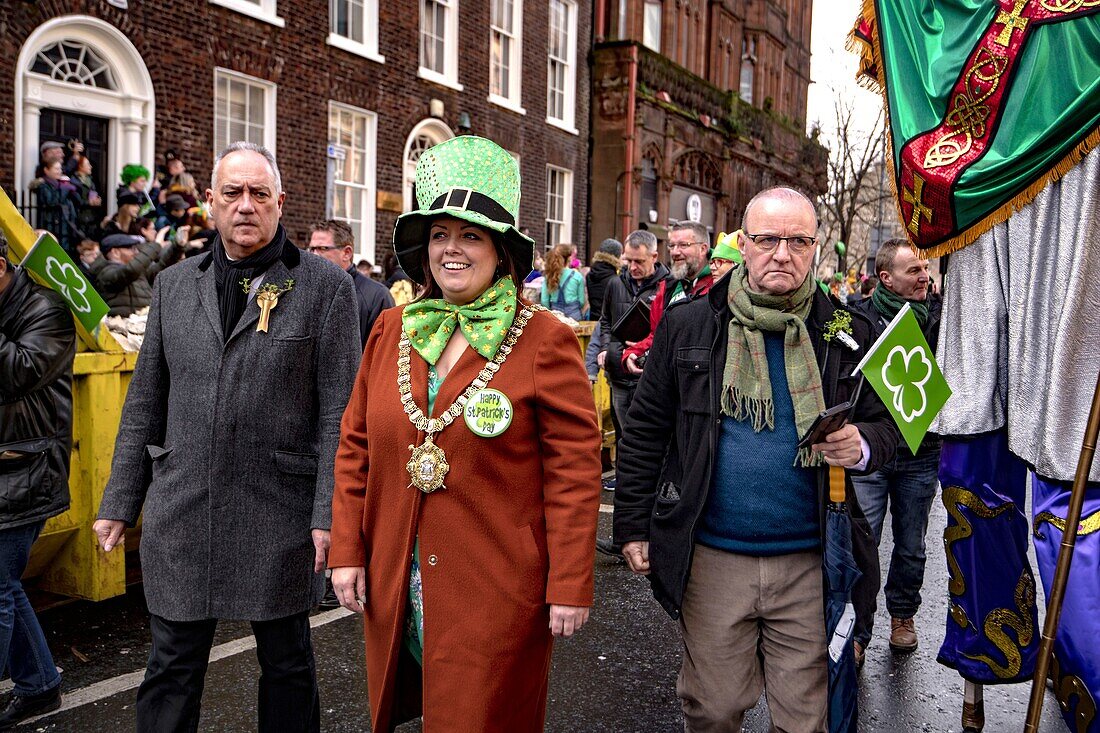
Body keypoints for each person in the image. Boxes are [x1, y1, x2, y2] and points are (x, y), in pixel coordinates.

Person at [328, 135, 601, 733]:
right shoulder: (390, 328)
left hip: (498, 586)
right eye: (440, 235)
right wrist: (348, 549)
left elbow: (575, 474)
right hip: (398, 576)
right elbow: (356, 447)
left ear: (500, 251)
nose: (452, 249)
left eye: (470, 235)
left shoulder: (545, 340)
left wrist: (570, 582)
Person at [92, 141, 361, 733]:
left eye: (259, 193)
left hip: (280, 512)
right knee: (171, 665)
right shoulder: (174, 285)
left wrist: (330, 516)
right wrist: (119, 501)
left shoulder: (324, 288)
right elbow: (145, 404)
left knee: (287, 664)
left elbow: (340, 416)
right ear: (210, 202)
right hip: (184, 505)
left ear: (280, 202)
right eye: (233, 193)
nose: (246, 206)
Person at [613, 187, 896, 731]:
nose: (782, 254)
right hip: (714, 558)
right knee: (713, 710)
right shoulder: (689, 324)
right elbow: (646, 431)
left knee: (806, 720)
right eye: (767, 240)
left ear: (817, 248)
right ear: (743, 244)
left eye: (797, 241)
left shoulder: (852, 332)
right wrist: (631, 526)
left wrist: (860, 445)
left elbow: (899, 426)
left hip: (812, 560)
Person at [848, 239, 942, 656]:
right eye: (913, 271)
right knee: (862, 539)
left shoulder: (942, 319)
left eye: (925, 268)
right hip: (872, 450)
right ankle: (857, 629)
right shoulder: (857, 319)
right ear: (885, 278)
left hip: (922, 452)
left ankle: (903, 613)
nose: (924, 276)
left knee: (911, 544)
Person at [0, 231, 74, 730]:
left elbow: (19, 373)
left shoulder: (46, 309)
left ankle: (39, 685)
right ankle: (40, 683)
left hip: (23, 469)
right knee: (4, 584)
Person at [594, 229, 669, 501]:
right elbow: (605, 321)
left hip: (648, 372)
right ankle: (625, 482)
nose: (632, 267)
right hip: (618, 370)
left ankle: (646, 487)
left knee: (646, 434)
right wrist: (605, 349)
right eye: (628, 261)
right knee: (623, 431)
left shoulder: (667, 285)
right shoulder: (615, 284)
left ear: (654, 256)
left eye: (639, 261)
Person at [622, 220, 715, 375]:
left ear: (703, 248)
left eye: (683, 245)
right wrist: (631, 354)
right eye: (672, 246)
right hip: (670, 382)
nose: (675, 252)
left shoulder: (720, 284)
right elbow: (658, 336)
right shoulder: (667, 287)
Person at [308, 220, 394, 347]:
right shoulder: (304, 290)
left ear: (346, 253)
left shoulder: (377, 296)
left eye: (322, 248)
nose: (314, 255)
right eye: (312, 249)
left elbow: (385, 352)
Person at [88, 221, 178, 318]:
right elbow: (130, 271)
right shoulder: (105, 273)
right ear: (115, 252)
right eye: (130, 248)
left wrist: (177, 247)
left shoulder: (137, 269)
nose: (135, 252)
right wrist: (156, 245)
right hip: (122, 325)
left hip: (144, 321)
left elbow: (160, 267)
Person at [584, 238, 622, 380]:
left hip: (593, 315)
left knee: (592, 347)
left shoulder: (589, 275)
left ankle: (590, 375)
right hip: (607, 320)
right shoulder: (614, 278)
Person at [540, 243, 585, 319]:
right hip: (574, 316)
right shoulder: (577, 276)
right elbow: (581, 301)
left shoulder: (549, 276)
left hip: (556, 316)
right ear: (569, 258)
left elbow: (544, 301)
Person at [586, 238, 622, 324]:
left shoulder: (589, 275)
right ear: (616, 256)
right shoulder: (615, 279)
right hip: (608, 324)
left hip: (593, 321)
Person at [71, 154, 103, 239]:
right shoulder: (73, 182)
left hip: (92, 218)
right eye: (88, 164)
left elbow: (93, 194)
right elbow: (75, 201)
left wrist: (97, 201)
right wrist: (89, 203)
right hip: (79, 219)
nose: (90, 167)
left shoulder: (91, 181)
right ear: (80, 166)